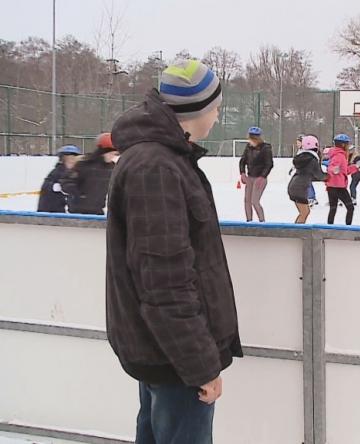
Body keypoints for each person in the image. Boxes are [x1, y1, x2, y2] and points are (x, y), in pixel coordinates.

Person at [106, 59, 242, 444]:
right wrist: (201, 366)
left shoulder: (164, 160)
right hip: (175, 363)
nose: (217, 116)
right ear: (196, 110)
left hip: (165, 356)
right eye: (216, 106)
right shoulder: (157, 169)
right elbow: (164, 284)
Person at [61, 133, 119, 215]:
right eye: (111, 154)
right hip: (77, 210)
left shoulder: (112, 168)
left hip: (97, 210)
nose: (112, 157)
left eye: (115, 154)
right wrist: (77, 193)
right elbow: (66, 181)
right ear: (103, 152)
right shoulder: (85, 164)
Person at [288, 135, 327, 223]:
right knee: (304, 212)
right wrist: (329, 177)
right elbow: (319, 175)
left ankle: (297, 230)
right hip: (299, 188)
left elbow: (309, 175)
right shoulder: (312, 159)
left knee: (304, 212)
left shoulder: (303, 158)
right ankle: (296, 231)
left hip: (294, 185)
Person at [238, 126, 274, 222]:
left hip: (260, 178)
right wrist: (242, 173)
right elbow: (242, 161)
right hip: (250, 177)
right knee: (247, 201)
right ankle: (249, 221)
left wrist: (262, 177)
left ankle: (262, 222)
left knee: (255, 201)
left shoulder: (265, 148)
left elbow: (269, 164)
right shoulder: (248, 147)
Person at [37, 145, 81, 213]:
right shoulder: (57, 172)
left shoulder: (74, 173)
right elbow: (46, 186)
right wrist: (53, 187)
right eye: (69, 159)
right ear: (63, 160)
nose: (72, 161)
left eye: (74, 158)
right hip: (50, 211)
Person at [326, 134, 356, 225]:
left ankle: (329, 227)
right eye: (347, 144)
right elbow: (332, 167)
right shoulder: (339, 155)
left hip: (332, 186)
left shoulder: (338, 154)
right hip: (338, 187)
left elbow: (345, 170)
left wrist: (356, 167)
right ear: (343, 145)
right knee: (350, 207)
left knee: (333, 208)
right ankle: (348, 227)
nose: (348, 146)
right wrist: (333, 170)